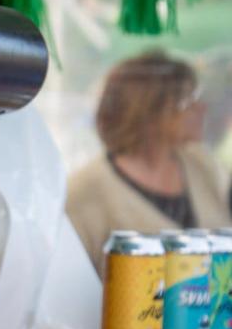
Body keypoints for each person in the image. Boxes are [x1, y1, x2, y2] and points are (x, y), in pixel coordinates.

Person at [67, 50, 232, 273]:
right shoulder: (85, 192)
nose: (201, 108)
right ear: (151, 111)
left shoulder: (204, 166)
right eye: (188, 100)